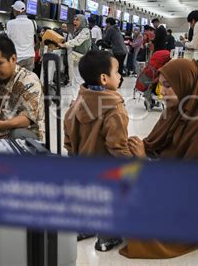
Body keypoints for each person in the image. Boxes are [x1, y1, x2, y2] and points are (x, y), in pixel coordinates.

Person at [120, 59, 198, 260]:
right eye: (162, 85)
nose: (163, 92)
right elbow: (155, 144)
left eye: (169, 86)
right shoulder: (176, 110)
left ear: (186, 84)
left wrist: (144, 161)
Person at [64, 50, 132, 252]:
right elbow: (117, 146)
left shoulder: (77, 102)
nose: (120, 76)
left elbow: (68, 134)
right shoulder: (114, 109)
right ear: (104, 78)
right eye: (117, 71)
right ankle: (106, 238)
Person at [0, 35, 45, 141]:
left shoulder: (29, 80)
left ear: (13, 59)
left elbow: (26, 119)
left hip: (28, 135)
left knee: (17, 135)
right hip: (3, 132)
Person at [58, 14, 92, 98]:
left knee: (79, 79)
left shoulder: (86, 31)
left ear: (83, 21)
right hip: (76, 57)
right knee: (75, 78)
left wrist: (65, 44)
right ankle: (75, 98)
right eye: (74, 20)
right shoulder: (77, 31)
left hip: (84, 58)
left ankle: (79, 98)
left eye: (77, 20)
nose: (74, 22)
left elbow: (77, 41)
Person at [6, 1, 36, 71]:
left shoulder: (10, 23)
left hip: (17, 58)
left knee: (16, 80)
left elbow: (8, 38)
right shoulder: (33, 22)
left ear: (17, 11)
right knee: (28, 80)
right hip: (30, 57)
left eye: (13, 10)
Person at [103, 17, 128, 87]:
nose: (106, 25)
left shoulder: (111, 29)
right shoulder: (117, 28)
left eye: (106, 24)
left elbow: (105, 39)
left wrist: (105, 30)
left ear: (109, 23)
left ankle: (118, 82)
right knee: (119, 66)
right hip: (123, 50)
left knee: (117, 67)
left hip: (119, 51)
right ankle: (119, 81)